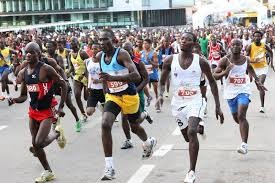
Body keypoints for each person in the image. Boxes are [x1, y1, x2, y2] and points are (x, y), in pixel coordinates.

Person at [157, 32, 224, 183]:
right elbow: (161, 81)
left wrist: (218, 107)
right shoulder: (169, 60)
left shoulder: (201, 62)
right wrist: (160, 95)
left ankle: (191, 172)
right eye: (182, 39)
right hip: (178, 103)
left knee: (191, 131)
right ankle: (199, 128)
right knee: (188, 137)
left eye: (188, 39)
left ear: (194, 44)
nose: (184, 41)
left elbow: (212, 83)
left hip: (195, 100)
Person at [96, 29, 157, 180]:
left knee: (134, 126)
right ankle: (109, 167)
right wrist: (106, 94)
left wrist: (112, 77)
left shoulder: (122, 54)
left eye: (105, 39)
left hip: (130, 95)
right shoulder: (100, 57)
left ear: (114, 40)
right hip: (113, 96)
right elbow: (104, 78)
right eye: (100, 40)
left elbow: (136, 76)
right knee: (105, 124)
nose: (102, 43)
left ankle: (148, 142)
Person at [9, 42, 67, 183]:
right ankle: (48, 172)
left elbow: (63, 84)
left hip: (47, 110)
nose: (28, 54)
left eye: (32, 52)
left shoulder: (46, 69)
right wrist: (15, 100)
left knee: (39, 142)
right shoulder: (23, 72)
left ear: (38, 53)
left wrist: (61, 106)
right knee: (35, 144)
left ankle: (57, 133)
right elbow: (23, 96)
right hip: (33, 111)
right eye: (26, 52)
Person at [214, 39, 267, 154]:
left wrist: (258, 82)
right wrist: (225, 72)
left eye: (238, 44)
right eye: (233, 44)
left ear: (241, 46)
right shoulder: (225, 60)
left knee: (242, 114)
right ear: (230, 46)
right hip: (230, 93)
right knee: (236, 117)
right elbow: (215, 75)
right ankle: (244, 126)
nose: (235, 46)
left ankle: (244, 145)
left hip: (244, 90)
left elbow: (250, 69)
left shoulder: (245, 59)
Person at [121, 42, 153, 149]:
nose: (127, 52)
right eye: (125, 50)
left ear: (132, 50)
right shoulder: (120, 63)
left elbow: (146, 79)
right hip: (124, 93)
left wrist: (136, 90)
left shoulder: (138, 63)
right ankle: (128, 140)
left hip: (137, 92)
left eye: (129, 50)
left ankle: (144, 114)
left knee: (135, 122)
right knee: (124, 117)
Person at [246, 31, 274, 113]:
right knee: (258, 86)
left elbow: (271, 52)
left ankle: (262, 106)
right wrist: (249, 72)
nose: (257, 38)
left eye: (258, 36)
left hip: (263, 68)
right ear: (253, 37)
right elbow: (246, 59)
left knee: (261, 85)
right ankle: (259, 87)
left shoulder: (264, 45)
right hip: (253, 68)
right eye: (255, 36)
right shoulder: (250, 46)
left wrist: (272, 63)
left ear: (261, 37)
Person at [67, 37, 90, 121]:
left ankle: (102, 107)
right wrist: (66, 74)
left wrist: (87, 78)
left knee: (86, 98)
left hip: (86, 76)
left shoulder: (83, 53)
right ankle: (83, 114)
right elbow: (71, 68)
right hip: (77, 77)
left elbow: (90, 65)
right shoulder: (70, 54)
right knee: (77, 95)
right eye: (71, 42)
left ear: (78, 44)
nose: (72, 44)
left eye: (74, 42)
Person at [86, 42, 105, 116]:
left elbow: (110, 76)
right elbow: (88, 74)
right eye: (92, 49)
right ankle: (100, 105)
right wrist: (88, 86)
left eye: (96, 49)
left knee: (107, 115)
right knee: (89, 112)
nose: (94, 50)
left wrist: (99, 81)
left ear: (100, 50)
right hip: (93, 90)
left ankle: (103, 107)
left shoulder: (104, 61)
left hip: (104, 89)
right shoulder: (88, 61)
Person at [141, 38, 159, 109]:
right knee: (143, 86)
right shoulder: (141, 53)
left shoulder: (154, 53)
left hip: (153, 74)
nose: (145, 45)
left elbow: (156, 65)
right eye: (144, 43)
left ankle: (157, 104)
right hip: (145, 74)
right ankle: (149, 97)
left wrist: (150, 61)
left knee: (155, 90)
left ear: (150, 44)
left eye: (146, 43)